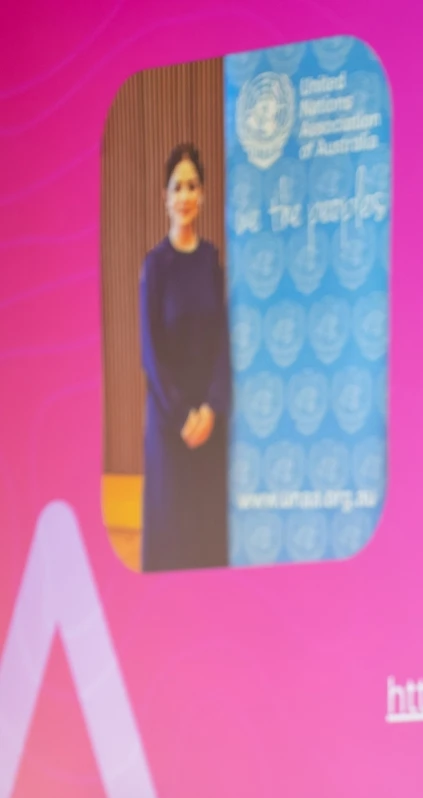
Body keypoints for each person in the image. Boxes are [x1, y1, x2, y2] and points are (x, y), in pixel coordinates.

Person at [139, 144, 229, 571]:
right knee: (173, 547)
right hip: (171, 426)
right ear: (165, 196)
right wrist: (183, 417)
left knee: (208, 544)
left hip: (210, 425)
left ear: (204, 194)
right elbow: (150, 353)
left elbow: (222, 342)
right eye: (178, 186)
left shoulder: (212, 260)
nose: (186, 195)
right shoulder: (155, 266)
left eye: (194, 185)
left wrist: (211, 408)